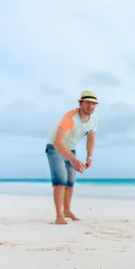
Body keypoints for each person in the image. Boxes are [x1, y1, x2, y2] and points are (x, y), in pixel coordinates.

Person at [45, 90, 99, 225]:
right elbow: (58, 143)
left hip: (70, 149)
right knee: (60, 180)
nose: (91, 106)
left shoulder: (94, 119)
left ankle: (67, 210)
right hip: (55, 148)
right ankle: (59, 216)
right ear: (81, 103)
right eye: (87, 103)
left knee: (70, 181)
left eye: (93, 104)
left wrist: (89, 157)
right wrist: (74, 160)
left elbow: (91, 138)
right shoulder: (70, 119)